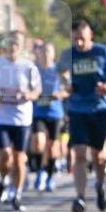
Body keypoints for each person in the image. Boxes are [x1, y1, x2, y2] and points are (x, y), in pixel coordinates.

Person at [57, 18, 106, 212]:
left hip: (99, 109)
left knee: (98, 155)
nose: (78, 43)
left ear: (90, 35)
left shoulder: (103, 51)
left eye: (82, 39)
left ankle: (100, 185)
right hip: (77, 109)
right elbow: (61, 72)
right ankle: (80, 197)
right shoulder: (68, 54)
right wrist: (66, 83)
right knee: (79, 154)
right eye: (75, 39)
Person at [0, 31, 42, 211]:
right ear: (6, 44)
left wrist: (29, 95)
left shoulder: (29, 66)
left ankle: (17, 194)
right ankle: (4, 180)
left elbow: (37, 91)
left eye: (16, 44)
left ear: (21, 46)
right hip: (2, 117)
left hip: (22, 118)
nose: (13, 47)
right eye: (10, 43)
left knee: (19, 158)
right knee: (4, 156)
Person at [30, 42, 68, 192]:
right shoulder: (34, 70)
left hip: (55, 113)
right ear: (39, 53)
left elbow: (68, 90)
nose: (46, 54)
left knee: (52, 148)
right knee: (38, 143)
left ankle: (50, 177)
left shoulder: (59, 70)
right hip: (38, 112)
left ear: (53, 54)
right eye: (44, 51)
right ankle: (40, 171)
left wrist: (59, 94)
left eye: (49, 52)